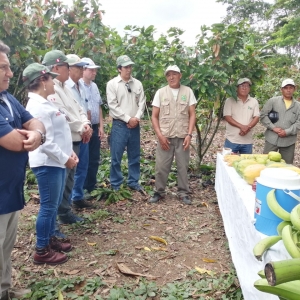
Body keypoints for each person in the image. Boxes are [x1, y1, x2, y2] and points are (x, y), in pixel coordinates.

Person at [0, 41, 45, 300]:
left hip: (10, 190)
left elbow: (33, 123)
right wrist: (32, 135)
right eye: (4, 68)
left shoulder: (8, 98)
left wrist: (36, 133)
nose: (10, 73)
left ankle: (5, 291)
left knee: (6, 248)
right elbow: (17, 143)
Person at [23, 63, 78, 265]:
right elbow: (44, 141)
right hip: (48, 162)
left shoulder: (46, 102)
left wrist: (69, 153)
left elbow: (59, 134)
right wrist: (65, 158)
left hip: (58, 161)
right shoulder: (36, 106)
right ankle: (42, 249)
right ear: (42, 81)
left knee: (52, 205)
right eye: (50, 78)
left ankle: (50, 239)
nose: (54, 81)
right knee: (48, 207)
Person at [42, 50, 92, 227]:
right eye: (66, 67)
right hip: (63, 141)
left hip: (74, 139)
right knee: (61, 181)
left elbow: (79, 109)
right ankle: (56, 218)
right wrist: (81, 127)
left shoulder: (65, 87)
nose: (69, 70)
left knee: (70, 178)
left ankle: (65, 211)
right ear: (56, 67)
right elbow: (62, 114)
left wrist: (86, 124)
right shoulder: (51, 87)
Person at [150, 65, 196, 205]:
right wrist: (160, 135)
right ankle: (159, 192)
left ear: (180, 75)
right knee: (161, 166)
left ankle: (183, 192)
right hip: (166, 137)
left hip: (183, 137)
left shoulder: (187, 92)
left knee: (183, 166)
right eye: (168, 75)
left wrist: (189, 134)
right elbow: (154, 116)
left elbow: (192, 114)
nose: (171, 77)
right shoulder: (161, 92)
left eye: (174, 74)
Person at [106, 55, 146, 191]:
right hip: (119, 124)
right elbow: (113, 105)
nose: (128, 70)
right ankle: (116, 183)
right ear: (119, 69)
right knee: (116, 156)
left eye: (130, 67)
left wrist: (136, 118)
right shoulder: (112, 85)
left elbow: (142, 102)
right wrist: (128, 119)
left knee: (134, 155)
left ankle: (133, 181)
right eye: (125, 67)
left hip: (135, 124)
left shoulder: (137, 84)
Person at [65, 54, 94, 209]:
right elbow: (67, 114)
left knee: (82, 165)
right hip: (73, 133)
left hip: (84, 131)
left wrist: (88, 126)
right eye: (79, 67)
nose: (82, 70)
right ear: (69, 69)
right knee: (72, 168)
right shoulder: (65, 87)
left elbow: (85, 109)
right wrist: (82, 127)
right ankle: (67, 203)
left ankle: (77, 197)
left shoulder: (81, 86)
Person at [260, 78, 300, 164]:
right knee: (266, 163)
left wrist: (287, 132)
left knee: (286, 166)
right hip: (272, 138)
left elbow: (299, 122)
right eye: (286, 88)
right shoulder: (273, 101)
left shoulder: (298, 106)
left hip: (288, 141)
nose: (288, 90)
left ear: (294, 89)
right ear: (281, 89)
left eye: (291, 88)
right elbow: (263, 115)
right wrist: (273, 127)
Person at [81, 57, 104, 195]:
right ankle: (82, 187)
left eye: (95, 70)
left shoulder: (94, 86)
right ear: (83, 70)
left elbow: (98, 106)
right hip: (84, 128)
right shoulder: (78, 86)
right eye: (91, 70)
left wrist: (101, 126)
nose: (94, 73)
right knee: (84, 158)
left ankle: (91, 184)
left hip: (95, 127)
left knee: (94, 157)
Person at [223, 78, 260, 154]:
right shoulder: (230, 100)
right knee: (228, 163)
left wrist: (247, 127)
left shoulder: (254, 101)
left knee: (246, 164)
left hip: (247, 141)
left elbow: (256, 117)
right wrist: (242, 127)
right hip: (232, 140)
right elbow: (227, 117)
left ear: (249, 88)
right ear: (237, 88)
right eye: (242, 86)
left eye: (247, 86)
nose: (244, 88)